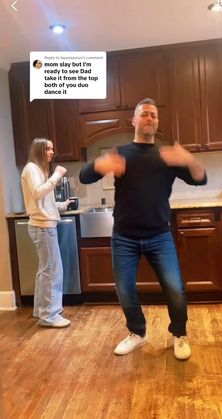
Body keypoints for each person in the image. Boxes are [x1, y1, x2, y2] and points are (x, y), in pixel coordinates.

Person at [79, 98, 207, 360]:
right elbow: (85, 176)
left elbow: (200, 179)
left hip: (159, 235)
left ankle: (179, 334)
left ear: (156, 122)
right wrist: (99, 165)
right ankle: (137, 333)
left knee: (175, 289)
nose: (149, 118)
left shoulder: (167, 155)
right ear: (134, 121)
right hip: (124, 237)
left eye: (153, 115)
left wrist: (189, 159)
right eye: (144, 114)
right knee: (125, 291)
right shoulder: (121, 153)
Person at [21, 138, 72, 328]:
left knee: (46, 270)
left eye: (52, 148)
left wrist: (61, 205)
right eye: (47, 148)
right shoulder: (31, 169)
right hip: (42, 227)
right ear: (38, 150)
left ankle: (41, 310)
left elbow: (43, 200)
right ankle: (49, 316)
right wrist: (56, 175)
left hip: (43, 225)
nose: (52, 152)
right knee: (52, 271)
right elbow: (37, 193)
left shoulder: (39, 170)